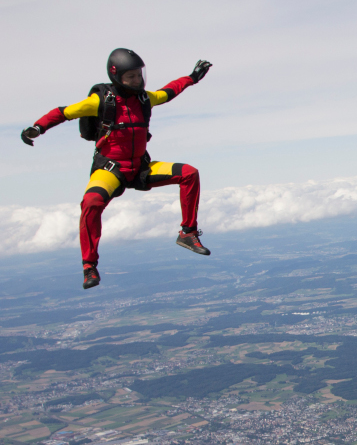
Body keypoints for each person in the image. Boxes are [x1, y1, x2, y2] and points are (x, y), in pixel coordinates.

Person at [21, 49, 214, 289]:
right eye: (130, 76)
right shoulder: (100, 101)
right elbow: (63, 112)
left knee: (189, 173)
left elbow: (169, 91)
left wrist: (192, 78)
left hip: (141, 166)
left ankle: (187, 233)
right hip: (111, 170)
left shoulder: (145, 98)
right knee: (91, 203)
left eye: (139, 75)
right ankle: (89, 266)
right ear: (116, 77)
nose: (137, 80)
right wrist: (38, 128)